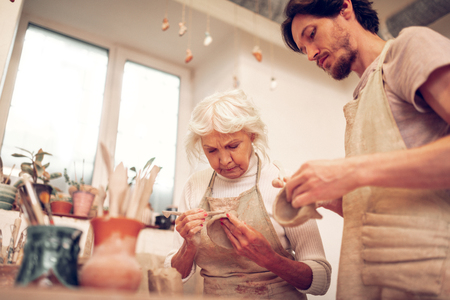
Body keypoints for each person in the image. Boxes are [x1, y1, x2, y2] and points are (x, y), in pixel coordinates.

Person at [280, 0, 450, 299]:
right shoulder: (360, 103)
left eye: (311, 34)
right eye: (302, 48)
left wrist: (350, 171)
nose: (309, 54)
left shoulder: (409, 48)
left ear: (345, 9)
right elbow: (393, 208)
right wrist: (338, 199)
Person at [164, 89, 331, 299]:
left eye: (233, 146)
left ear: (252, 135)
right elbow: (174, 277)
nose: (224, 160)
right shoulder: (195, 185)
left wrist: (269, 259)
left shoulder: (283, 182)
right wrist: (188, 245)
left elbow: (321, 280)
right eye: (212, 151)